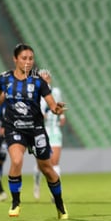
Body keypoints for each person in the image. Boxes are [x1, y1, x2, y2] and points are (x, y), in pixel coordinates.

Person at [0, 43, 68, 219]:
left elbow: (52, 104)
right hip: (14, 127)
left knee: (46, 168)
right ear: (15, 59)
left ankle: (60, 204)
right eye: (24, 58)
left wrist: (57, 109)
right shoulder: (4, 79)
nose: (28, 62)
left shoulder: (38, 81)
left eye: (31, 58)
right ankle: (16, 203)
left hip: (36, 129)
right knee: (16, 161)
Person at [33, 69, 66, 200]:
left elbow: (59, 106)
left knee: (55, 162)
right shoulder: (34, 93)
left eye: (46, 78)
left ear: (50, 80)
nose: (44, 80)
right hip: (41, 131)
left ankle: (56, 194)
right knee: (42, 165)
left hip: (54, 130)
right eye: (41, 78)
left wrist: (62, 115)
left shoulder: (56, 92)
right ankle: (36, 183)